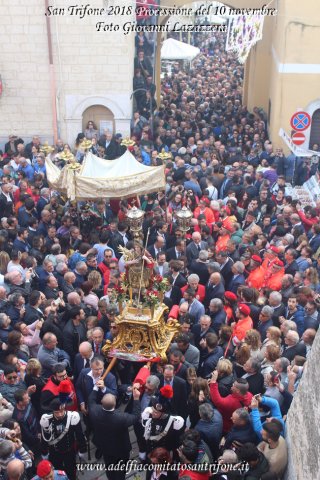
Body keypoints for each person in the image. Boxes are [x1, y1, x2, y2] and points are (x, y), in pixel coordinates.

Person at [88, 381, 141, 480]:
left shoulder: (95, 411)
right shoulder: (122, 418)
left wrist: (95, 388)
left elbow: (91, 400)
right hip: (121, 449)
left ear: (102, 402)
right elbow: (136, 416)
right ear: (115, 403)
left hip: (105, 447)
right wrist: (136, 398)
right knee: (121, 470)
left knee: (109, 466)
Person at [40, 399, 87, 480]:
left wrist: (82, 449)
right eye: (57, 412)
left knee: (71, 471)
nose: (60, 414)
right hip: (54, 452)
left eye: (62, 411)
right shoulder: (47, 419)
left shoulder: (72, 417)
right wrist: (44, 452)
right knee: (56, 472)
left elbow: (79, 435)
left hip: (69, 451)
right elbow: (44, 438)